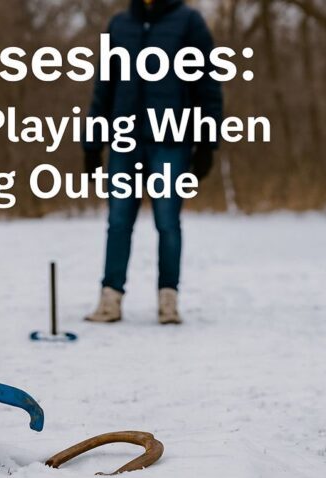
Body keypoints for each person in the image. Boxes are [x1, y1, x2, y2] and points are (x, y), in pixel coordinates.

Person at [83, 0, 223, 324]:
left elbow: (207, 86)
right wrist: (92, 144)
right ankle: (110, 299)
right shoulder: (119, 25)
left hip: (170, 142)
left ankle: (168, 300)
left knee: (167, 222)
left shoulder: (189, 23)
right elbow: (104, 88)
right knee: (118, 222)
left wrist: (207, 143)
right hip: (124, 140)